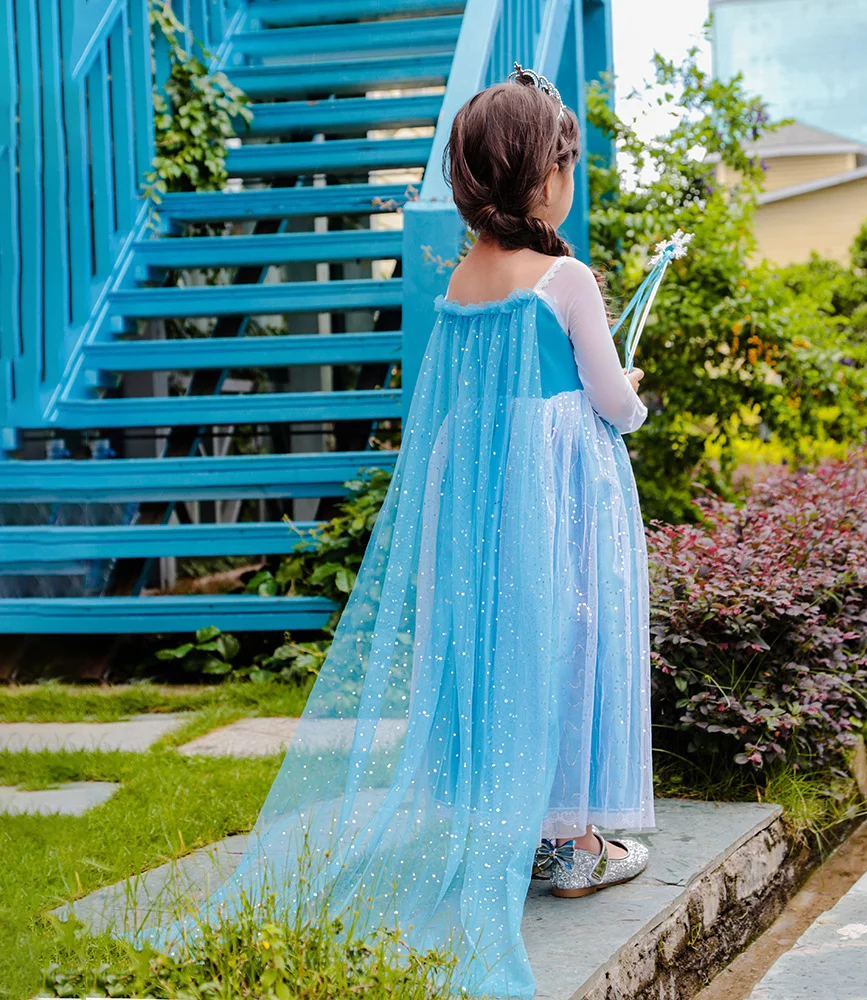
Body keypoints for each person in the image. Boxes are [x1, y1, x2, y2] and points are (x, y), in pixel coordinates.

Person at [137, 66, 655, 1000]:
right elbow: (610, 398)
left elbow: (459, 394)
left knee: (494, 650)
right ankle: (576, 842)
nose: (570, 179)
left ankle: (511, 820)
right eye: (566, 164)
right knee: (568, 639)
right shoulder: (568, 278)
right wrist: (636, 406)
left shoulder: (462, 277)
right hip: (549, 494)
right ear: (543, 178)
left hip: (480, 492)